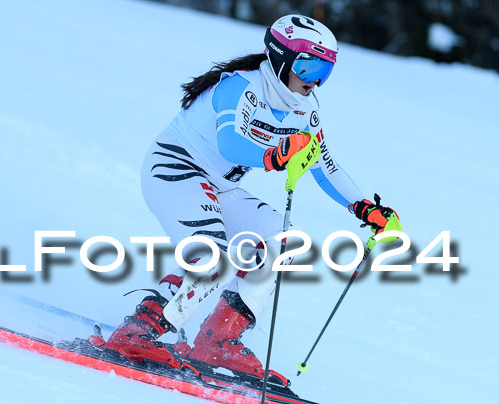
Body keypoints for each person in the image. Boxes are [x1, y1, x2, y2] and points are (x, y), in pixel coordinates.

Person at [94, 15, 399, 380]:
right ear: (281, 57)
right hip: (176, 171)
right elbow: (231, 142)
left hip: (219, 186)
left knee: (282, 239)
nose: (315, 78)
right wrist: (276, 154)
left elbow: (324, 166)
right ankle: (140, 329)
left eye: (326, 70)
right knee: (215, 256)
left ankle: (217, 340)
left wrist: (363, 207)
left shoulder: (307, 108)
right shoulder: (240, 88)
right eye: (308, 64)